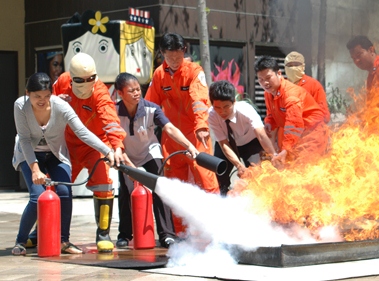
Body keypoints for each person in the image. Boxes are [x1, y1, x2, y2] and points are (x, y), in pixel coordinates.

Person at [11, 72, 115, 256]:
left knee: (65, 193)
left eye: (46, 96)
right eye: (36, 97)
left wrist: (107, 151)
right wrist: (35, 169)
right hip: (29, 154)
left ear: (52, 93)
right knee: (37, 197)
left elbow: (82, 132)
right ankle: (20, 241)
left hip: (55, 154)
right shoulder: (20, 106)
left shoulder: (61, 106)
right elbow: (25, 140)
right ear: (28, 93)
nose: (41, 101)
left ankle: (63, 241)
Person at [53, 52, 128, 253]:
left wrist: (117, 147)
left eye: (90, 79)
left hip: (95, 145)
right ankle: (43, 232)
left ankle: (103, 233)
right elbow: (47, 102)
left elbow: (110, 120)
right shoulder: (62, 82)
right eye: (81, 80)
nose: (86, 83)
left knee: (104, 183)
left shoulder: (100, 93)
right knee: (55, 188)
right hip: (68, 144)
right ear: (72, 77)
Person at [144, 32, 219, 233]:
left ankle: (215, 226)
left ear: (184, 52)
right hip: (171, 137)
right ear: (162, 54)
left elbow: (200, 100)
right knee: (175, 184)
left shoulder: (195, 71)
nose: (175, 61)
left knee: (207, 179)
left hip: (196, 134)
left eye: (178, 56)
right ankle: (179, 231)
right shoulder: (159, 74)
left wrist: (202, 126)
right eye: (170, 57)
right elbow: (150, 104)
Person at [114, 72, 200, 248]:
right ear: (120, 93)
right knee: (126, 190)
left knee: (160, 186)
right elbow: (111, 139)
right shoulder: (113, 112)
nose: (137, 93)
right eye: (131, 91)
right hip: (126, 155)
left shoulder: (151, 109)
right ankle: (125, 234)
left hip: (149, 152)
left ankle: (166, 234)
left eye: (138, 89)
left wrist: (189, 146)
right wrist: (128, 165)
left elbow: (169, 128)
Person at [255, 56, 329, 166]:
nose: (265, 83)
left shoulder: (291, 94)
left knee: (305, 172)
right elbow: (271, 113)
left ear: (279, 74)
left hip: (312, 135)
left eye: (268, 78)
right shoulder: (268, 94)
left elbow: (294, 124)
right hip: (296, 138)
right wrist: (270, 123)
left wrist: (286, 149)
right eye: (261, 80)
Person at [208, 80, 278, 196]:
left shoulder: (246, 110)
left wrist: (274, 156)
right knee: (219, 171)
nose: (222, 111)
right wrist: (239, 166)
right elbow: (224, 144)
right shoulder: (212, 115)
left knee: (257, 173)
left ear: (234, 102)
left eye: (226, 106)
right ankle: (224, 198)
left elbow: (261, 135)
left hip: (251, 143)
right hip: (228, 145)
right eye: (217, 107)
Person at [284, 51, 330, 123]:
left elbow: (323, 114)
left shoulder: (314, 85)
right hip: (285, 131)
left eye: (296, 65)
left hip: (309, 131)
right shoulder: (281, 86)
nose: (293, 68)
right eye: (290, 65)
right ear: (285, 68)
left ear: (303, 66)